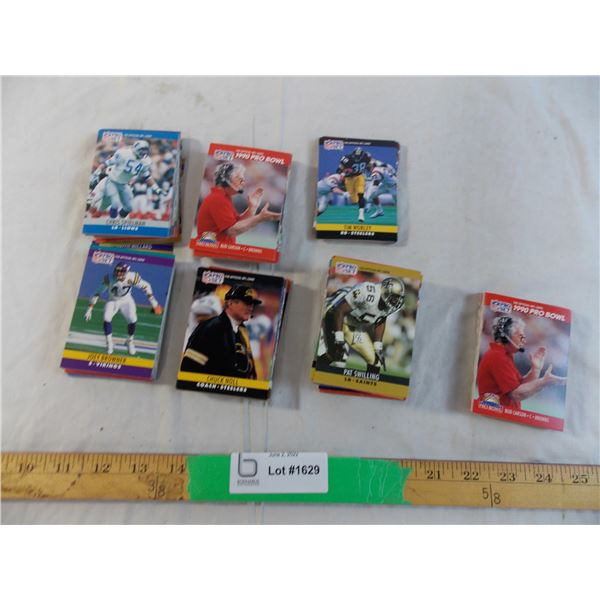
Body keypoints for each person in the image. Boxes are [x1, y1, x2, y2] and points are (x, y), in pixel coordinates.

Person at [316, 277, 405, 375]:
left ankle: (369, 384)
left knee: (375, 361)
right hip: (333, 316)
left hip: (353, 326)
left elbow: (381, 320)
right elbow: (339, 310)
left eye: (398, 298)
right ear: (385, 291)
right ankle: (314, 371)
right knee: (337, 355)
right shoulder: (368, 292)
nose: (396, 301)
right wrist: (339, 338)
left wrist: (378, 347)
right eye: (394, 297)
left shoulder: (389, 305)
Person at [476, 315, 567, 409]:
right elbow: (516, 395)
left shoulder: (504, 355)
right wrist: (543, 382)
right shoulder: (498, 356)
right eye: (519, 334)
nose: (523, 338)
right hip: (496, 411)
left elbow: (521, 386)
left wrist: (535, 369)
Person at [180, 286, 260, 379]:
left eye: (251, 304)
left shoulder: (239, 331)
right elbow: (190, 369)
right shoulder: (209, 327)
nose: (250, 308)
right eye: (246, 303)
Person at [84, 262, 163, 355]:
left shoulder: (132, 277)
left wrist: (154, 303)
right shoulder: (109, 278)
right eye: (117, 271)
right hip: (113, 300)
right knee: (106, 318)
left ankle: (129, 341)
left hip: (126, 300)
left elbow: (146, 286)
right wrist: (89, 308)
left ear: (126, 272)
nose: (118, 274)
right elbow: (98, 292)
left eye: (121, 272)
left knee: (133, 319)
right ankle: (109, 343)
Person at [195, 162, 280, 245]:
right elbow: (232, 231)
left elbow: (237, 224)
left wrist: (252, 208)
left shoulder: (223, 197)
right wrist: (260, 218)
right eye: (239, 178)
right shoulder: (218, 199)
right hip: (211, 249)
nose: (243, 182)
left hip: (214, 247)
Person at [89, 139, 166, 219]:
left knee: (126, 208)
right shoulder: (123, 154)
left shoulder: (145, 161)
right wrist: (96, 173)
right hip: (110, 182)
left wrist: (157, 189)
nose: (143, 153)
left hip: (123, 185)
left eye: (145, 150)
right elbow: (106, 163)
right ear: (135, 148)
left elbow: (147, 177)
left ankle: (117, 221)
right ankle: (106, 220)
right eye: (142, 150)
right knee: (103, 202)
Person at [336, 147, 373, 222]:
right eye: (356, 156)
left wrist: (370, 171)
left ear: (362, 155)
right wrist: (343, 172)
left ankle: (361, 215)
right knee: (355, 200)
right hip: (349, 179)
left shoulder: (366, 157)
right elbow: (338, 170)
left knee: (360, 194)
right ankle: (365, 201)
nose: (357, 158)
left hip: (359, 177)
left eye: (359, 157)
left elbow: (369, 165)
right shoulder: (347, 159)